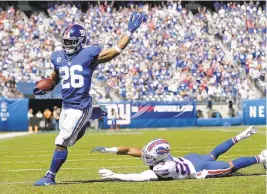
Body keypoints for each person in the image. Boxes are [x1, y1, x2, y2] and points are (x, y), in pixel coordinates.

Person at [33, 12, 146, 186]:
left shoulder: (89, 55)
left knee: (61, 141)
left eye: (71, 42)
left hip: (80, 106)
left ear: (80, 42)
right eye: (66, 42)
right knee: (70, 140)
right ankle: (90, 118)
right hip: (67, 105)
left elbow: (114, 51)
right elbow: (55, 78)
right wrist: (46, 88)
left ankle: (49, 176)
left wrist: (129, 32)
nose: (67, 45)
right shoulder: (58, 57)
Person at [92, 126, 266, 181]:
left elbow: (140, 176)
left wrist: (116, 175)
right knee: (213, 153)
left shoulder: (163, 167)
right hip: (190, 159)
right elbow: (130, 150)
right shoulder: (161, 157)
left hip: (198, 167)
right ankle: (241, 135)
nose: (145, 155)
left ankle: (261, 157)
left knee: (230, 166)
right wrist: (108, 150)